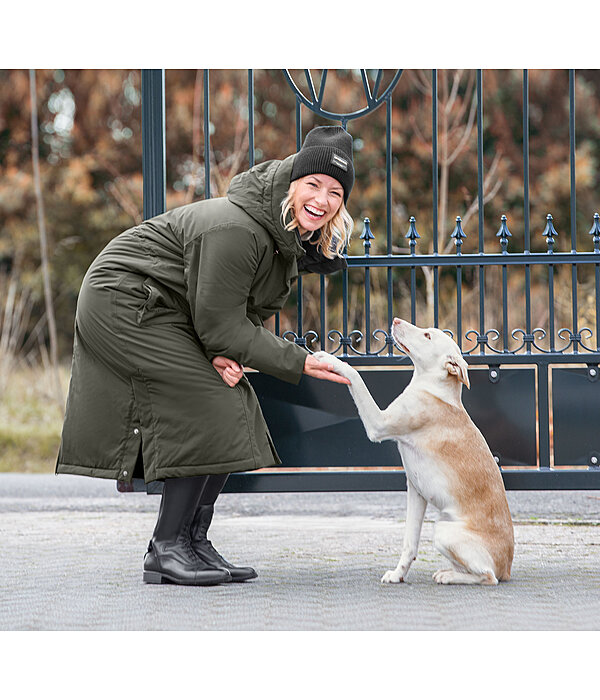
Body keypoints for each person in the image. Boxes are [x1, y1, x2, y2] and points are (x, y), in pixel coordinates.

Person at [56, 125, 355, 586]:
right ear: (291, 183)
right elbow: (221, 323)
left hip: (174, 311)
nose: (323, 199)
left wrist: (223, 351)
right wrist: (299, 361)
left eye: (336, 192)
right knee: (208, 403)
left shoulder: (278, 238)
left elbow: (226, 315)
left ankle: (193, 540)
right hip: (125, 302)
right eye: (313, 184)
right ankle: (166, 547)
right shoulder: (237, 228)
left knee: (231, 402)